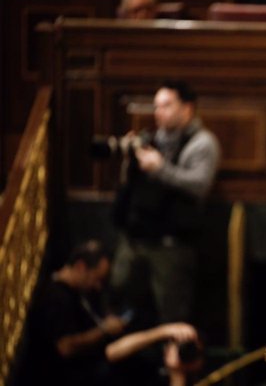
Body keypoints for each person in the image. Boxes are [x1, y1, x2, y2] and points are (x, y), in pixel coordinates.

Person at [110, 80, 220, 327]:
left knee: (172, 315)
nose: (158, 112)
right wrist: (130, 161)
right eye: (157, 106)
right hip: (135, 239)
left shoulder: (202, 142)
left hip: (171, 245)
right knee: (122, 307)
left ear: (187, 108)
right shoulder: (149, 140)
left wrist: (160, 168)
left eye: (167, 105)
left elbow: (199, 185)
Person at [24, 240, 128, 386]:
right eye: (96, 279)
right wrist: (104, 330)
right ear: (80, 267)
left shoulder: (76, 291)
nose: (97, 286)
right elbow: (65, 347)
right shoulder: (55, 297)